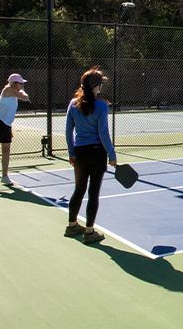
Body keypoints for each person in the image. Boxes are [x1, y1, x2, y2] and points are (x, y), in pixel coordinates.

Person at [64, 67, 117, 244]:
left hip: (79, 153)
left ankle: (72, 226)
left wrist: (71, 152)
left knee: (79, 189)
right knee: (93, 193)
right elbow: (103, 133)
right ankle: (89, 231)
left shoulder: (72, 104)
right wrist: (112, 154)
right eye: (100, 83)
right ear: (97, 86)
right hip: (97, 153)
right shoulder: (102, 106)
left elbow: (68, 132)